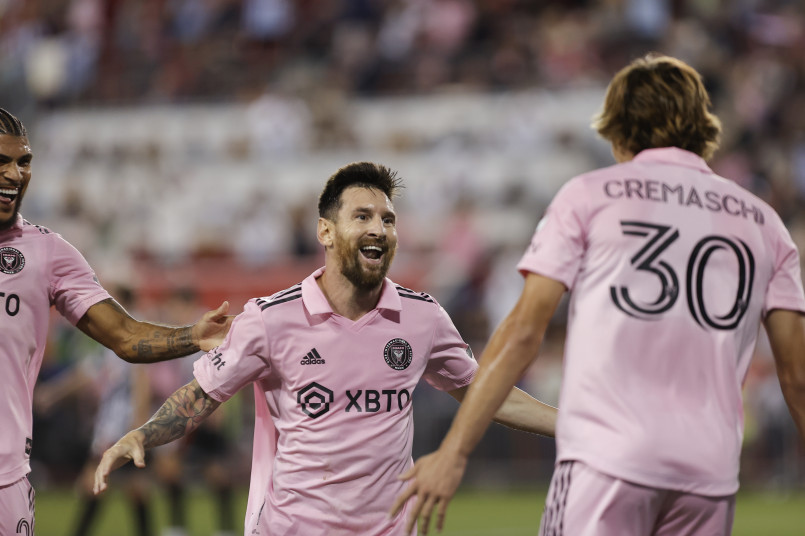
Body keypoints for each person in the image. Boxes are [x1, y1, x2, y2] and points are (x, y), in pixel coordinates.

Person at [391, 53, 805, 535]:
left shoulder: (590, 196)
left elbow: (525, 330)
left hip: (608, 459)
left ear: (619, 128)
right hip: (708, 472)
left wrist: (455, 449)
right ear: (700, 126)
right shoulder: (764, 223)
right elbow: (796, 376)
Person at [94, 161, 558, 535]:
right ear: (325, 232)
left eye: (388, 219)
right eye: (362, 216)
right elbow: (199, 397)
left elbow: (488, 392)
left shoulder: (423, 318)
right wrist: (143, 434)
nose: (379, 228)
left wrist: (572, 424)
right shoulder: (270, 319)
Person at [0, 108, 233, 534]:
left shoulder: (49, 254)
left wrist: (192, 335)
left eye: (24, 161)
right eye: (2, 162)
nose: (15, 174)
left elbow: (125, 336)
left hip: (5, 478)